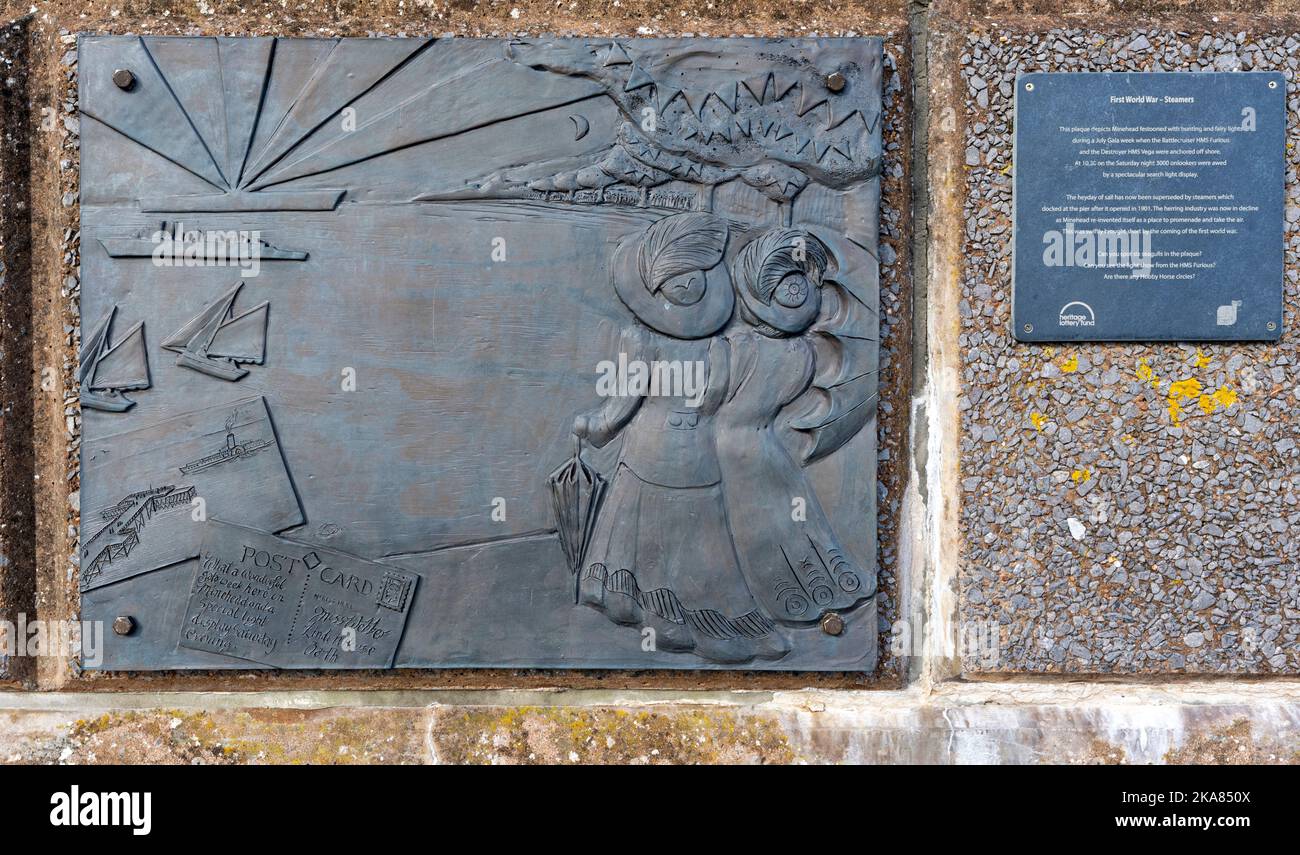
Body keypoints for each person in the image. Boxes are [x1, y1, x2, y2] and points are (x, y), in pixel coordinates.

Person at [571, 212, 790, 663]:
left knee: (706, 536)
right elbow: (625, 398)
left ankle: (734, 618)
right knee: (652, 534)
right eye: (676, 278)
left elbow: (719, 399)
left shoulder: (720, 343)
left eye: (694, 276)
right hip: (653, 450)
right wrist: (600, 426)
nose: (687, 286)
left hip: (697, 454)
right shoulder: (642, 339)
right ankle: (669, 620)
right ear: (655, 286)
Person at [716, 227, 876, 626]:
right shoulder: (803, 352)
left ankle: (762, 601)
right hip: (769, 449)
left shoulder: (738, 346)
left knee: (752, 531)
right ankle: (821, 593)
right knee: (795, 528)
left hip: (727, 450)